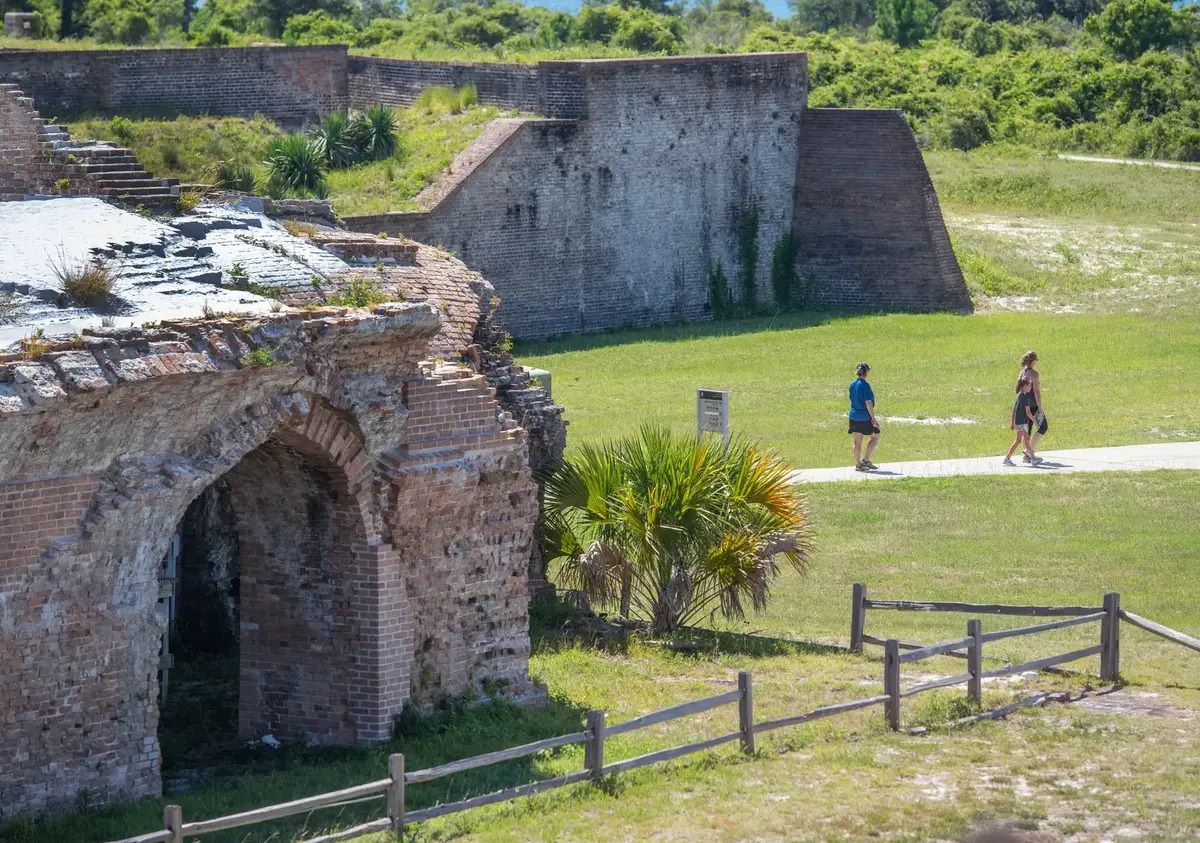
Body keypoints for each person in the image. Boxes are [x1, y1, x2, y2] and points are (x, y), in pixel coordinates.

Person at [848, 362, 881, 472]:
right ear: (866, 373)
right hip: (864, 417)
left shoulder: (852, 384)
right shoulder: (865, 386)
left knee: (857, 441)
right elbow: (868, 402)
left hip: (853, 416)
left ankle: (858, 464)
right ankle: (866, 459)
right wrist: (873, 419)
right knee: (876, 436)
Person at [1019, 350, 1047, 462]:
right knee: (1043, 427)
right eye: (1036, 360)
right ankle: (1028, 452)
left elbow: (1018, 389)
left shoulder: (1022, 373)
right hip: (1033, 406)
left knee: (1027, 431)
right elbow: (1036, 392)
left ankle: (1026, 456)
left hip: (1023, 405)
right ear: (1033, 361)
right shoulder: (1034, 374)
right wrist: (1040, 408)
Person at [1003, 377, 1039, 466]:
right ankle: (1007, 459)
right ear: (1024, 386)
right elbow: (1028, 412)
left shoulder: (1019, 396)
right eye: (1029, 385)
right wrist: (1035, 422)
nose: (1030, 387)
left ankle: (1033, 458)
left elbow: (1014, 410)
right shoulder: (1025, 398)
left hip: (1020, 422)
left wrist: (1012, 422)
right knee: (1019, 440)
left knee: (1025, 440)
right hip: (1023, 423)